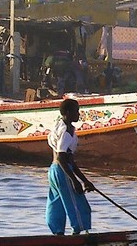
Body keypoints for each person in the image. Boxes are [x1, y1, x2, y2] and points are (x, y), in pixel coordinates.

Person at [45, 99, 94, 235]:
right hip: (62, 170)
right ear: (67, 112)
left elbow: (69, 159)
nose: (79, 114)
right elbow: (62, 157)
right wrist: (74, 180)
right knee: (77, 204)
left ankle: (58, 233)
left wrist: (84, 180)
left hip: (54, 171)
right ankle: (77, 233)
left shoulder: (59, 126)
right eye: (76, 111)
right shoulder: (66, 131)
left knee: (56, 203)